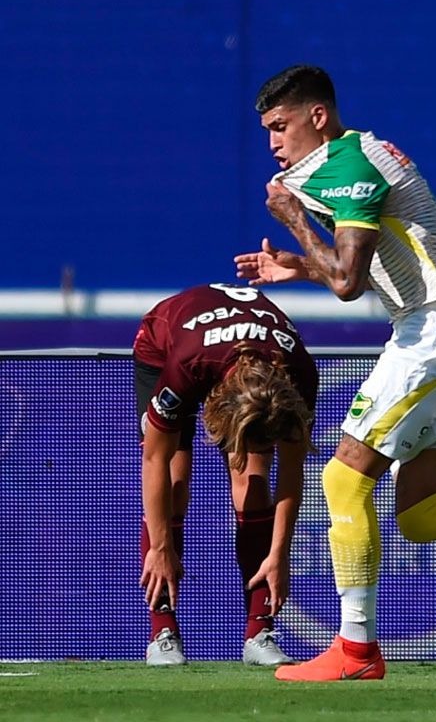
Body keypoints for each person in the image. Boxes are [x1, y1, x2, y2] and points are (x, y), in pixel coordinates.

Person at [234, 65, 436, 682]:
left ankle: (355, 650)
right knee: (419, 516)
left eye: (281, 126)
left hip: (431, 331)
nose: (274, 144)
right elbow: (363, 267)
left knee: (342, 479)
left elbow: (348, 282)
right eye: (267, 132)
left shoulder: (346, 165)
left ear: (317, 116)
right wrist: (300, 266)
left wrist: (294, 219)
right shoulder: (356, 154)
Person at [134, 283, 318, 667]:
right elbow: (154, 459)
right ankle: (162, 632)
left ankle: (259, 632)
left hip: (249, 366)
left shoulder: (299, 377)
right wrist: (161, 547)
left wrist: (279, 554)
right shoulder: (186, 366)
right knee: (175, 482)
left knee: (253, 481)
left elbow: (291, 469)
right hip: (166, 345)